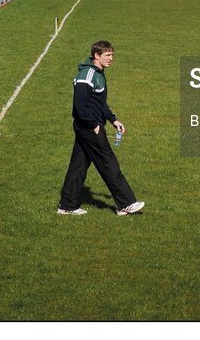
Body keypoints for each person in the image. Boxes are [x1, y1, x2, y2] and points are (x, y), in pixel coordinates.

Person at [57, 40, 145, 216]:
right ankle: (125, 204)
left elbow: (98, 102)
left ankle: (67, 205)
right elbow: (80, 105)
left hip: (89, 126)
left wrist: (113, 120)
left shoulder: (98, 73)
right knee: (108, 162)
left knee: (78, 166)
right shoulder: (87, 75)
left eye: (112, 54)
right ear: (97, 56)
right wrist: (94, 125)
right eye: (108, 55)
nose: (111, 58)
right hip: (89, 128)